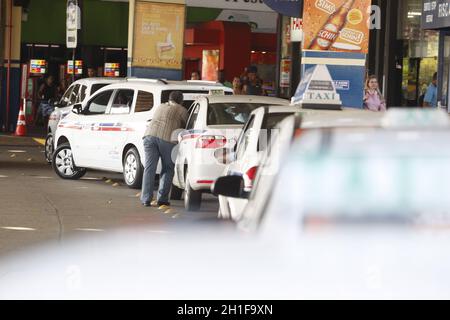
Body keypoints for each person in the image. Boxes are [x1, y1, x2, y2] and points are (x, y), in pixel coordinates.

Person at [140, 91, 188, 212]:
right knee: (167, 168)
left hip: (149, 136)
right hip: (167, 139)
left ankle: (146, 199)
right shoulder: (182, 110)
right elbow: (187, 125)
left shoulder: (160, 106)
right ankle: (162, 198)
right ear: (181, 101)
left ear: (169, 99)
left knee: (149, 169)